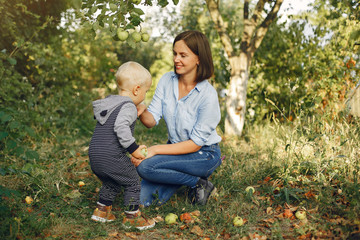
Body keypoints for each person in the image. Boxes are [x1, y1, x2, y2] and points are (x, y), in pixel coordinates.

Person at [132, 30, 222, 207]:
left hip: (204, 154)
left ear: (198, 58)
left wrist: (156, 150)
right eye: (174, 53)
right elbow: (151, 122)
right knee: (143, 200)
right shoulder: (167, 80)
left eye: (183, 55)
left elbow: (195, 143)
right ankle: (192, 180)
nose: (176, 59)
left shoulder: (208, 95)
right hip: (176, 148)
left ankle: (197, 183)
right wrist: (141, 110)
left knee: (146, 167)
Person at [88, 61, 155, 230]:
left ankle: (102, 211)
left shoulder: (111, 103)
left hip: (96, 156)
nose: (144, 96)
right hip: (111, 156)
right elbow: (121, 128)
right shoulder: (128, 106)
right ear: (136, 90)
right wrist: (134, 150)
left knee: (112, 181)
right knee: (132, 181)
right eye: (145, 92)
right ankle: (132, 217)